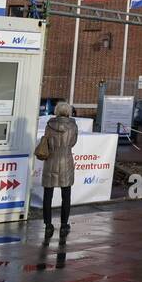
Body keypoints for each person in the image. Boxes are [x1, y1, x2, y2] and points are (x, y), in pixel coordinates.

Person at [37, 101, 80, 238]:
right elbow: (73, 143)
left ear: (56, 111)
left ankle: (48, 225)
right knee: (66, 196)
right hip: (66, 161)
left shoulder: (49, 124)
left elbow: (47, 141)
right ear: (68, 111)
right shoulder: (73, 125)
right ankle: (63, 225)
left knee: (47, 196)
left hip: (51, 161)